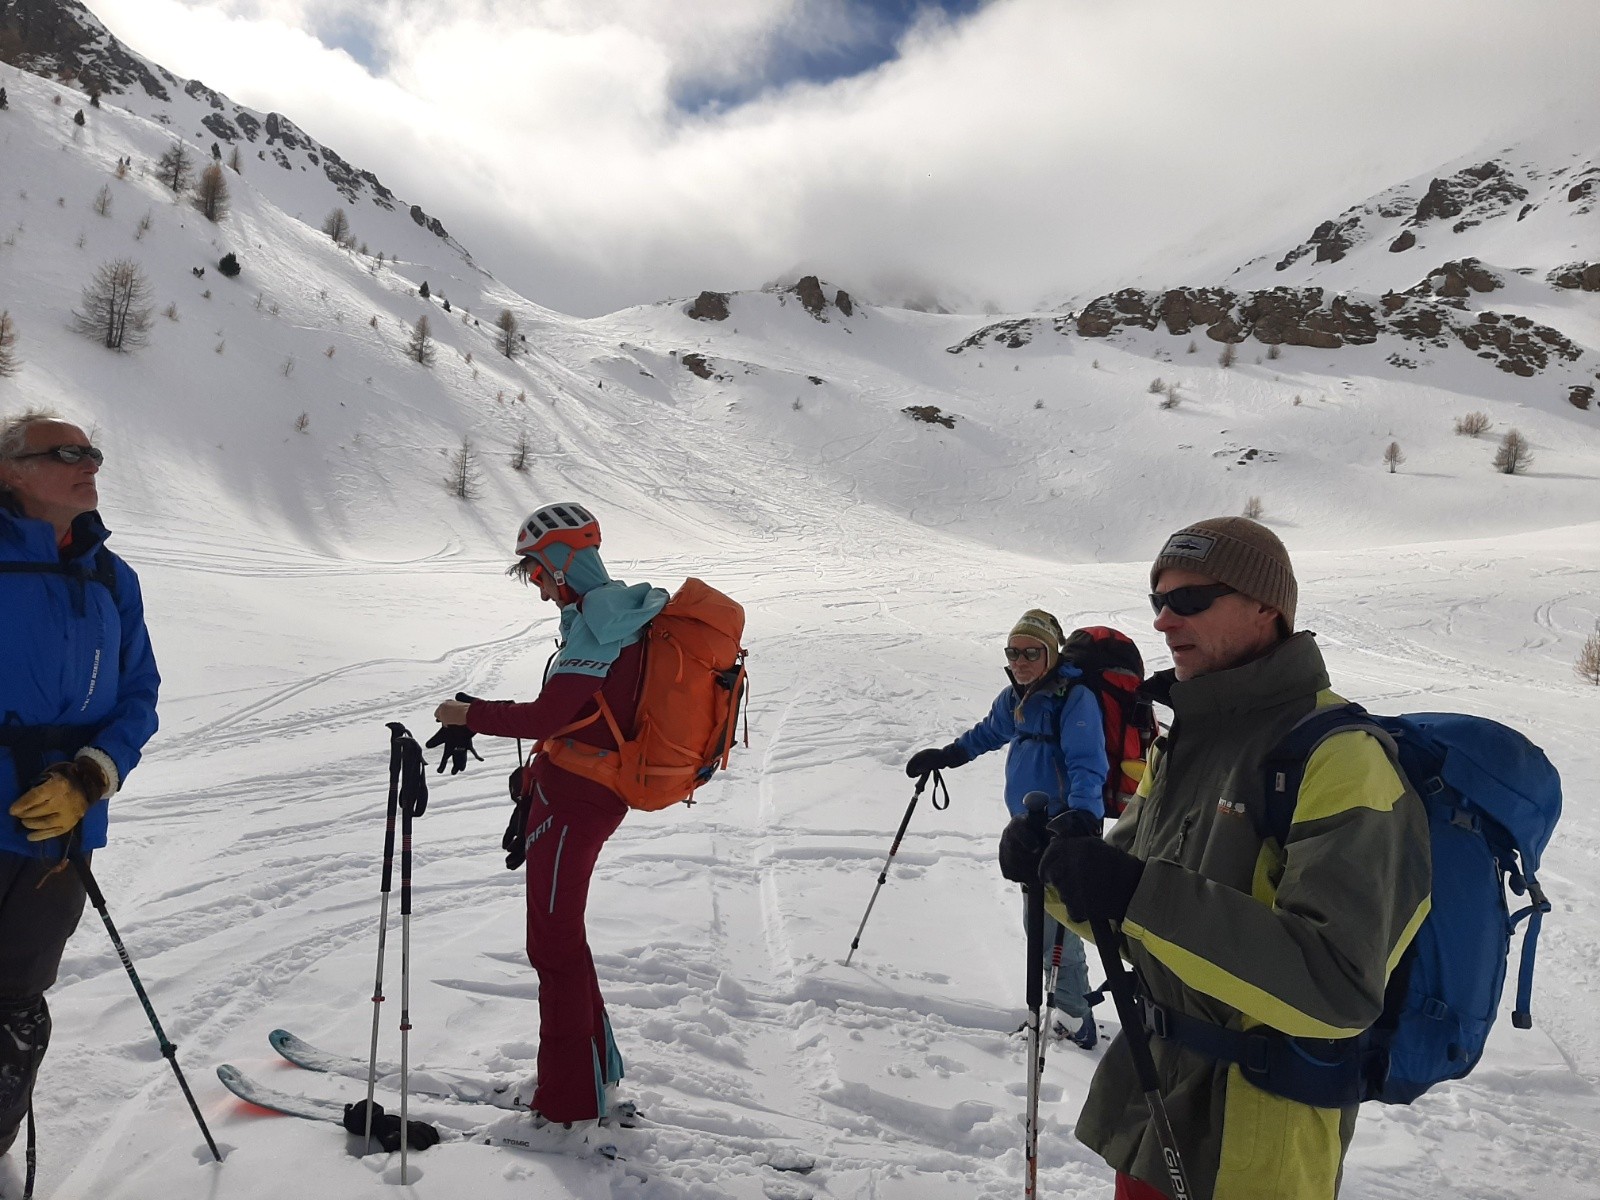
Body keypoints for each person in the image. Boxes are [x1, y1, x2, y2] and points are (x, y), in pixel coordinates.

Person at [1026, 517, 1431, 1200]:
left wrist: (1132, 893)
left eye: (1189, 601)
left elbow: (1336, 986)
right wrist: (1058, 873)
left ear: (1266, 608)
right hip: (1156, 1106)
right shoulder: (1186, 742)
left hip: (1257, 1142)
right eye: (1157, 601)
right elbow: (1133, 915)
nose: (1162, 622)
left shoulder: (1341, 756)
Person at [432, 502, 666, 1128]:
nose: (535, 587)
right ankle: (591, 1077)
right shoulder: (615, 612)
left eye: (536, 572)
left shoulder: (600, 622)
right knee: (562, 942)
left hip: (576, 805)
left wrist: (466, 716)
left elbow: (547, 717)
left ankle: (566, 1108)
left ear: (562, 560)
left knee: (553, 948)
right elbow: (572, 713)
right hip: (580, 794)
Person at [0, 410, 159, 1158]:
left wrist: (91, 777)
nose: (89, 461)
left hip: (59, 832)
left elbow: (139, 696)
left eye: (93, 450)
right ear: (12, 470)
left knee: (16, 1002)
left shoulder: (110, 574)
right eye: (66, 452)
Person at [906, 608, 1109, 1049]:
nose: (1019, 661)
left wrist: (1084, 819)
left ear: (1050, 653)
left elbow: (1088, 764)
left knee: (1054, 928)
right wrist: (947, 755)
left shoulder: (1074, 699)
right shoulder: (1015, 698)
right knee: (1041, 923)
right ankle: (1068, 1011)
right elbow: (987, 734)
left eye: (1030, 652)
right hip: (1027, 830)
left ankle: (1075, 1019)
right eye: (1013, 652)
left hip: (1063, 830)